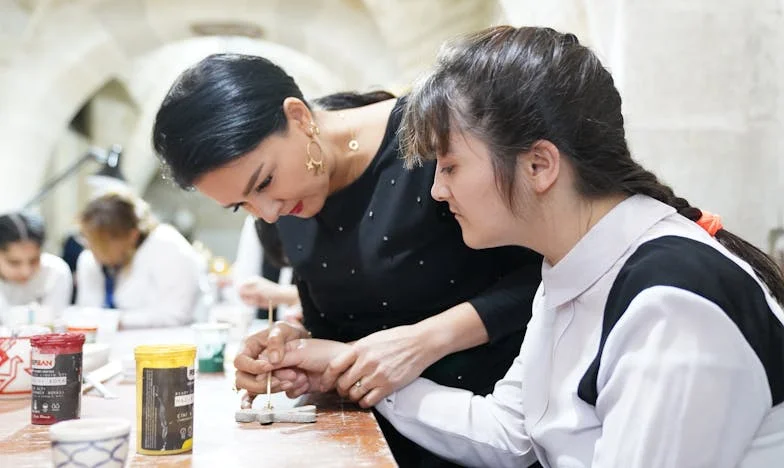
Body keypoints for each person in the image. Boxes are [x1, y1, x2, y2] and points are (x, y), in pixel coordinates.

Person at [250, 26, 784, 467]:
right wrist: (349, 364)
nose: (437, 190)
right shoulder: (571, 268)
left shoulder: (670, 305)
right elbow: (507, 433)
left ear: (539, 165)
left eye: (451, 166)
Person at [152, 54, 542, 465]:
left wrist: (428, 339)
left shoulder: (432, 134)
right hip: (368, 438)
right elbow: (337, 327)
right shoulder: (286, 208)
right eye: (240, 205)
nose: (267, 212)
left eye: (264, 181)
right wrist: (295, 347)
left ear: (299, 117)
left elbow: (544, 273)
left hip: (489, 435)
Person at [75, 192, 202, 328]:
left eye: (102, 243)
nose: (93, 250)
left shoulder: (167, 247)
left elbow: (175, 315)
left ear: (132, 235)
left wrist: (113, 321)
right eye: (88, 241)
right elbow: (87, 312)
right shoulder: (90, 260)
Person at [0, 212, 72, 322]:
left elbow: (53, 325)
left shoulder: (55, 272)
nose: (26, 272)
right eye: (14, 263)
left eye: (34, 261)